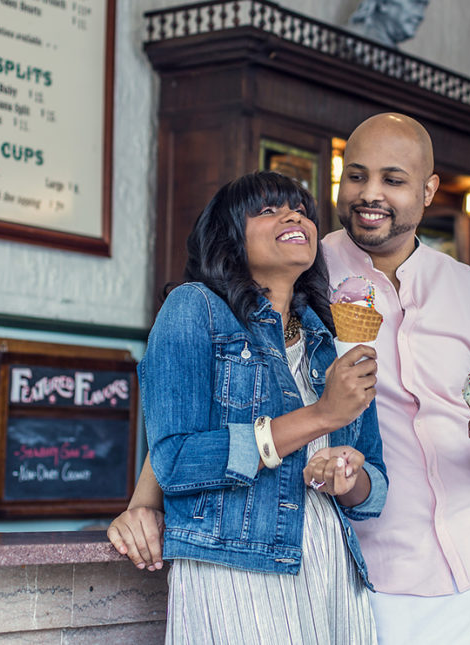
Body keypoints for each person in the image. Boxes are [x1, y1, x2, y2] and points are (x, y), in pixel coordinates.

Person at [108, 171, 387, 644]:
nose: (294, 215)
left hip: (333, 571)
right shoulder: (194, 308)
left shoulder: (330, 339)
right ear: (229, 238)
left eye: (300, 208)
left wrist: (349, 476)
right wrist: (321, 416)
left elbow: (375, 486)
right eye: (268, 209)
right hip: (237, 567)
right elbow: (175, 459)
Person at [323, 112, 470, 644]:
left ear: (428, 190)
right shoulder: (304, 273)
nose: (370, 193)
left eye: (393, 180)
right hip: (379, 584)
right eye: (356, 175)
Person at [346, 0, 430, 48]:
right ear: (384, 3)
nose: (421, 16)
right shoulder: (351, 39)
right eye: (416, 3)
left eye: (423, 7)